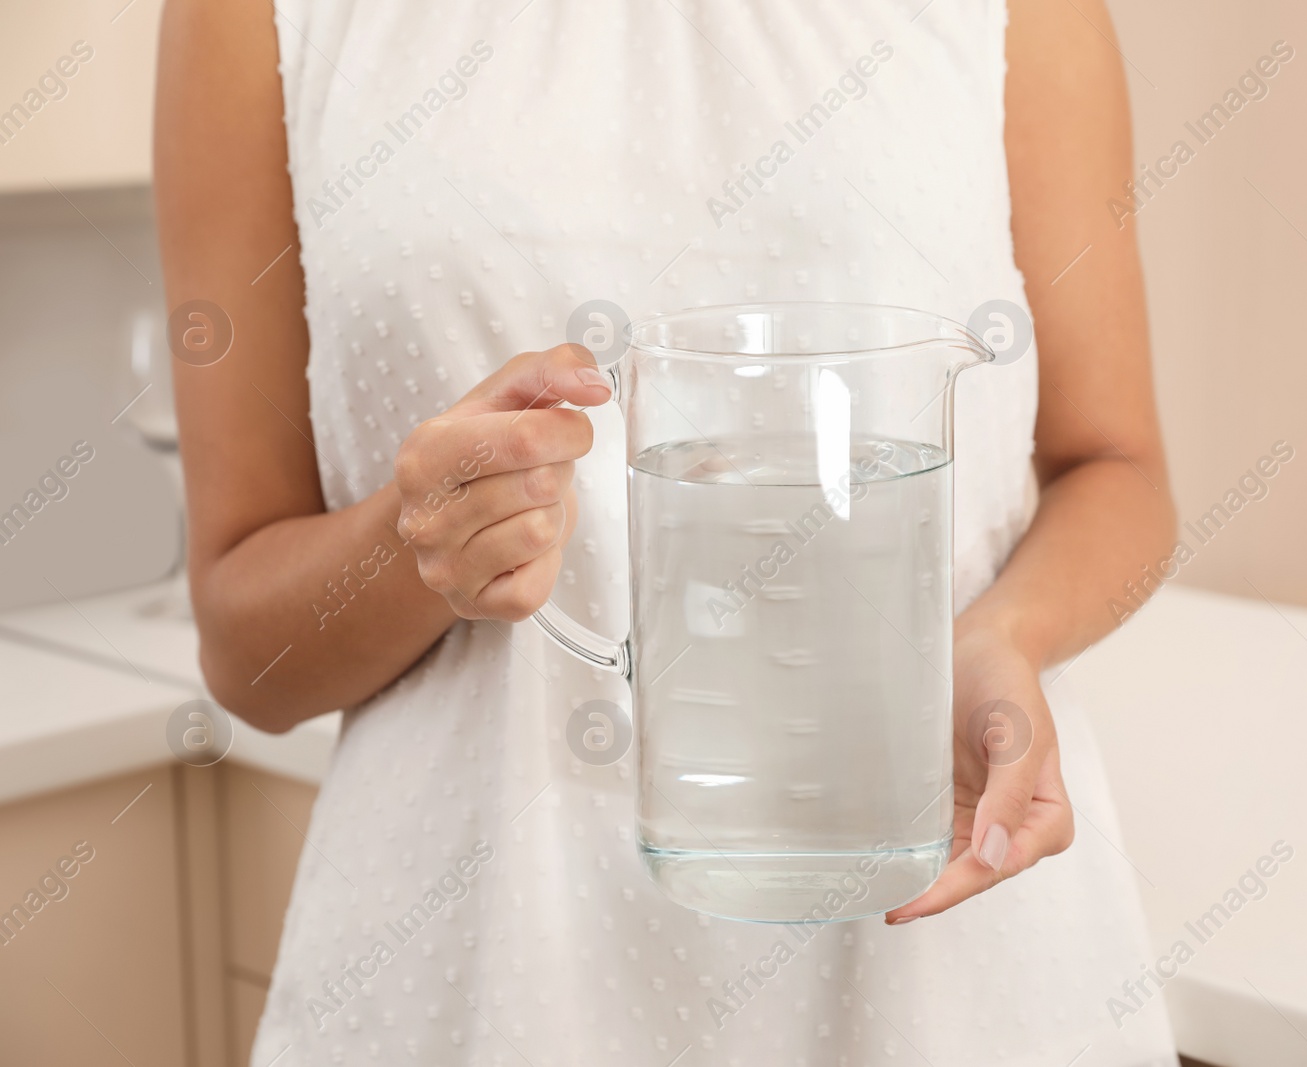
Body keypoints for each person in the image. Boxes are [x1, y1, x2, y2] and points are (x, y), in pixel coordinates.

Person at [156, 0, 1179, 1062]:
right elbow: (244, 647)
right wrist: (417, 548)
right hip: (475, 966)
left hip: (939, 935)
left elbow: (1116, 466)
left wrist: (998, 635)